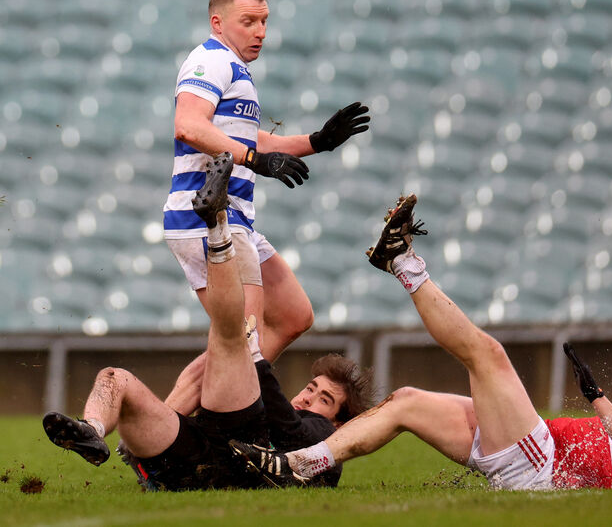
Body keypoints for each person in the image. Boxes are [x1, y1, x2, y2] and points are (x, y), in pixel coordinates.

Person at [231, 194, 612, 490]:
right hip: (537, 444)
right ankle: (302, 464)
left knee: (487, 354)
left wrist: (598, 396)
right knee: (407, 403)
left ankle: (400, 262)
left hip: (542, 463)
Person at [44, 154, 374, 491]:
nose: (307, 398)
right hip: (194, 453)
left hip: (231, 446)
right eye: (311, 388)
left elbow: (292, 430)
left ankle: (217, 225)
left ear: (339, 422)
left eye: (324, 400)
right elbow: (297, 320)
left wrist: (255, 353)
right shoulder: (290, 416)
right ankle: (92, 430)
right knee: (116, 379)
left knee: (231, 335)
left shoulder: (324, 442)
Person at [165, 0, 370, 363]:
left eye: (264, 21)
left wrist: (316, 141)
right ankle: (212, 418)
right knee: (244, 346)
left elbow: (246, 138)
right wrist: (254, 160)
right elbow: (188, 125)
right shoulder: (210, 60)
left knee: (293, 316)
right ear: (218, 22)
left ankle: (181, 419)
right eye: (248, 21)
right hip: (209, 216)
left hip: (236, 217)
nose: (260, 31)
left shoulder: (233, 67)